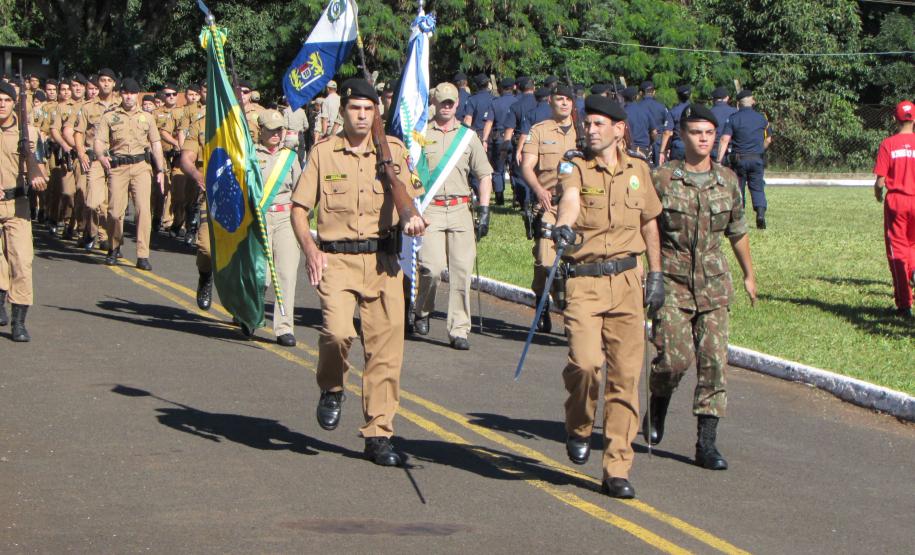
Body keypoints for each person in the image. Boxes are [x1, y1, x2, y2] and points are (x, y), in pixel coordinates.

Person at [290, 78, 426, 467]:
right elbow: (299, 208)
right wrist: (311, 249)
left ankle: (379, 434)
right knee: (337, 333)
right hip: (336, 261)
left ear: (377, 113)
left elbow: (411, 199)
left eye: (369, 109)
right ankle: (332, 387)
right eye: (355, 109)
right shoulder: (323, 154)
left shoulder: (393, 151)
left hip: (383, 262)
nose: (362, 116)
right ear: (343, 111)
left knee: (385, 353)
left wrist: (414, 218)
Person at [551, 94, 663, 499]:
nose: (590, 129)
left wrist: (657, 275)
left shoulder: (639, 170)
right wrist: (563, 228)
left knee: (626, 377)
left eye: (598, 124)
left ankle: (617, 465)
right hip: (585, 280)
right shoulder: (575, 165)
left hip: (629, 281)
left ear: (619, 129)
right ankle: (579, 425)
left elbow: (650, 224)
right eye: (588, 123)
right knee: (584, 364)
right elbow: (570, 200)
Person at [644, 103, 758, 471]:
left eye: (709, 132)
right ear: (682, 135)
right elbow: (646, 230)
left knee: (713, 364)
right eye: (696, 132)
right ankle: (658, 405)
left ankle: (705, 445)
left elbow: (737, 231)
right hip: (673, 283)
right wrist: (651, 275)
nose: (704, 138)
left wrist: (748, 274)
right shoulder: (662, 178)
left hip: (713, 285)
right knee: (673, 360)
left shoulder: (727, 180)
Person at [412, 83, 493, 350]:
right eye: (442, 102)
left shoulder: (468, 138)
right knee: (431, 268)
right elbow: (410, 173)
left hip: (460, 210)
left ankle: (459, 329)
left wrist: (484, 209)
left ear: (458, 104)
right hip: (431, 209)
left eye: (451, 102)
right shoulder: (420, 135)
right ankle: (422, 310)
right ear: (434, 103)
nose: (447, 106)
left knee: (462, 272)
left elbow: (484, 174)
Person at [520, 85, 580, 333]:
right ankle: (543, 302)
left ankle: (572, 313)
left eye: (568, 99)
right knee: (545, 260)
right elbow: (527, 166)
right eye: (559, 99)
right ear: (551, 102)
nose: (564, 103)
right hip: (550, 203)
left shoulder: (585, 132)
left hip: (578, 205)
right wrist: (538, 190)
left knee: (575, 264)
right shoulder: (540, 130)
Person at [94, 77, 167, 270]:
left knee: (143, 211)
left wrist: (160, 169)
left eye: (133, 93)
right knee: (114, 212)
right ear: (120, 94)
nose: (129, 97)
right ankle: (114, 246)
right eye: (126, 93)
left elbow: (156, 144)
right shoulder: (110, 116)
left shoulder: (147, 117)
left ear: (137, 95)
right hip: (118, 167)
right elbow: (100, 141)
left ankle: (143, 255)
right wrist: (101, 156)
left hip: (141, 167)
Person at [0, 82, 48, 342]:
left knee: (22, 262)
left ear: (14, 103)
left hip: (18, 206)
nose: (1, 104)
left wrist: (37, 177)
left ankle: (19, 322)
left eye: (6, 100)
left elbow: (40, 167)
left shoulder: (29, 133)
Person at [253, 110, 304, 345]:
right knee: (260, 275)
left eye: (279, 129)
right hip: (259, 218)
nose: (276, 134)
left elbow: (301, 191)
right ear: (260, 130)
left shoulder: (290, 158)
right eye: (271, 129)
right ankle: (251, 314)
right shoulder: (250, 154)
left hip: (285, 218)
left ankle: (284, 327)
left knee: (286, 273)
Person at [873, 100, 915, 320]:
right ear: (914, 119)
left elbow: (880, 182)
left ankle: (904, 304)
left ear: (895, 119)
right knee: (913, 245)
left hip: (898, 202)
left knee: (897, 251)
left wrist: (878, 193)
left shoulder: (889, 144)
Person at [69, 67, 119, 252]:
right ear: (98, 83)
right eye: (102, 80)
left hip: (115, 159)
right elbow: (78, 133)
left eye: (109, 80)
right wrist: (81, 153)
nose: (105, 83)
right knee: (93, 200)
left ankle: (105, 237)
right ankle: (90, 231)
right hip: (94, 159)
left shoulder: (121, 105)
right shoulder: (88, 107)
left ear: (114, 84)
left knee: (111, 201)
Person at [717, 90, 771, 229]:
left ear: (738, 104)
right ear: (752, 101)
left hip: (739, 159)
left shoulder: (733, 118)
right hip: (757, 158)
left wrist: (718, 160)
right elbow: (769, 139)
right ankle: (760, 214)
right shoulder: (762, 118)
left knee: (739, 188)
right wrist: (760, 149)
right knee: (757, 187)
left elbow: (724, 139)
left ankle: (739, 218)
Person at [490, 77, 517, 206]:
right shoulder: (518, 102)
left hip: (499, 139)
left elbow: (490, 122)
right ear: (514, 87)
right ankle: (517, 196)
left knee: (498, 169)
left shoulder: (495, 103)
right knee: (515, 168)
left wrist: (485, 139)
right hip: (514, 139)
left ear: (501, 89)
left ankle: (499, 197)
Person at [638, 81, 672, 167]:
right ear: (653, 92)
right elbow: (667, 125)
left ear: (641, 93)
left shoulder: (637, 107)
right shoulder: (661, 106)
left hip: (643, 141)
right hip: (659, 142)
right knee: (659, 169)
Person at [709, 87, 737, 163]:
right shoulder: (735, 112)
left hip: (714, 149)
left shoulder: (709, 113)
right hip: (731, 149)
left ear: (714, 99)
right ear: (727, 98)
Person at [667, 85, 692, 161]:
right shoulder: (696, 109)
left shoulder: (674, 111)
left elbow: (667, 132)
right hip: (693, 146)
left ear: (678, 96)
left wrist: (663, 150)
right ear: (690, 95)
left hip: (678, 146)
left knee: (676, 171)